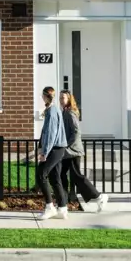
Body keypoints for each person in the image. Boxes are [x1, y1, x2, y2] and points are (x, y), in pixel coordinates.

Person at [60, 90, 109, 213]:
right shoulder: (65, 111)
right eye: (60, 98)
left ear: (69, 99)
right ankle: (63, 202)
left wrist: (67, 145)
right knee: (62, 174)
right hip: (67, 151)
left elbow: (76, 132)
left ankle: (99, 197)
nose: (61, 100)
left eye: (63, 98)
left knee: (76, 176)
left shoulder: (70, 113)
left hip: (73, 151)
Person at [36, 86, 69, 220]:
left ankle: (50, 207)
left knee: (40, 174)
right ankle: (62, 208)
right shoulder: (53, 109)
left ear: (45, 96)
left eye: (42, 96)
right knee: (55, 178)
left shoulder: (52, 111)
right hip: (57, 148)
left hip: (54, 149)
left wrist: (44, 152)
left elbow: (51, 133)